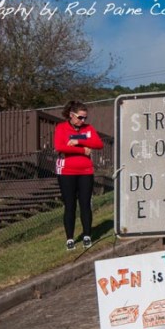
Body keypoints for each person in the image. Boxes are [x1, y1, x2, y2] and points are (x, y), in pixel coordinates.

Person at [53, 100, 104, 250]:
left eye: (85, 118)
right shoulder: (61, 128)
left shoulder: (88, 128)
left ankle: (87, 235)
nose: (83, 120)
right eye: (80, 117)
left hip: (86, 171)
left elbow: (98, 144)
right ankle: (70, 238)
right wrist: (82, 150)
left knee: (85, 203)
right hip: (66, 171)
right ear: (71, 115)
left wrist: (78, 140)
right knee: (70, 205)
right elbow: (60, 147)